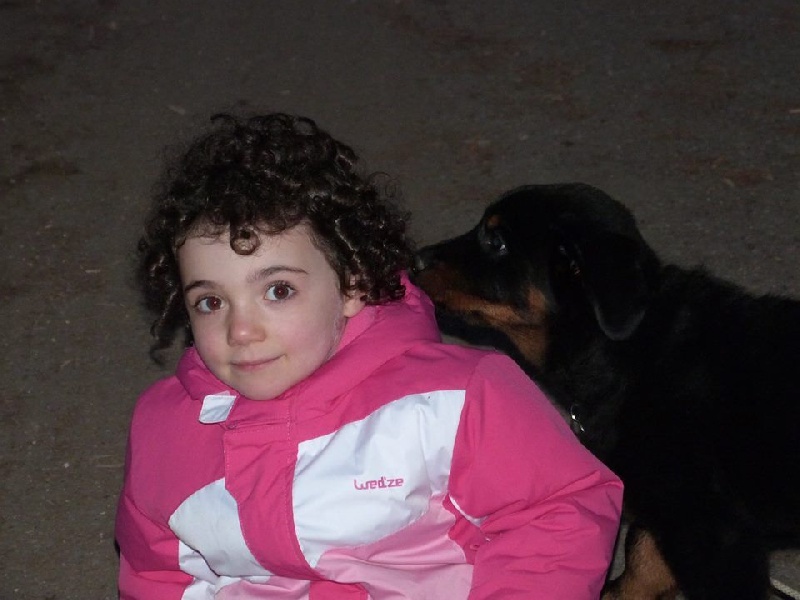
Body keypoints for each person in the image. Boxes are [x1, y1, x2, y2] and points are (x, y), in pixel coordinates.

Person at [115, 112, 623, 599]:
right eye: (210, 302)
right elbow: (159, 572)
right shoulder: (165, 431)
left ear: (352, 285)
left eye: (278, 291)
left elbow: (557, 512)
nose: (241, 330)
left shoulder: (457, 400)